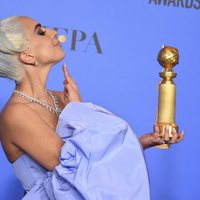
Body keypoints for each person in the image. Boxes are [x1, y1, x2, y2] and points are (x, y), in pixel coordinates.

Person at [0, 16, 183, 200]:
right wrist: (80, 111)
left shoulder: (61, 99)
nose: (54, 32)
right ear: (27, 56)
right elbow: (80, 174)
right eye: (41, 32)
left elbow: (96, 165)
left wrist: (141, 142)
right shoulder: (17, 114)